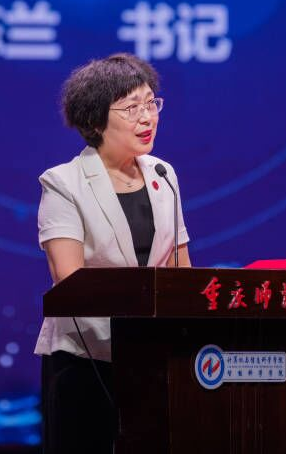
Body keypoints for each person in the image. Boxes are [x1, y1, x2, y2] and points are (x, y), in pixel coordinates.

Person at [35, 54, 191, 453]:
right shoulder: (63, 183)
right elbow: (68, 280)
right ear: (95, 121)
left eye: (151, 103)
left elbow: (181, 272)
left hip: (153, 357)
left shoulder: (163, 175)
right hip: (85, 360)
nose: (147, 117)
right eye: (131, 108)